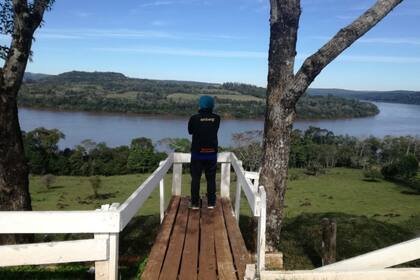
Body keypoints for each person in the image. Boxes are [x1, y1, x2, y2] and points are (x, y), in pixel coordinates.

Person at [188, 95, 220, 210]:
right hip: (211, 153)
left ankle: (195, 203)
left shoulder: (194, 118)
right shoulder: (217, 118)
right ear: (212, 105)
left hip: (197, 154)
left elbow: (190, 131)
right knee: (211, 178)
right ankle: (211, 203)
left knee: (195, 178)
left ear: (200, 105)